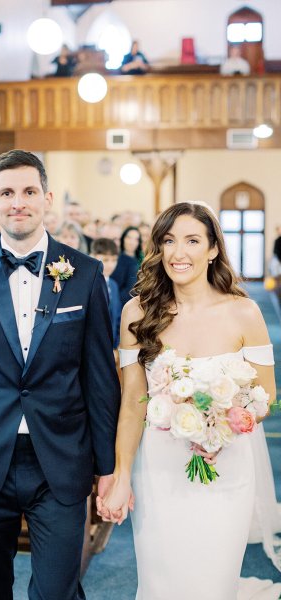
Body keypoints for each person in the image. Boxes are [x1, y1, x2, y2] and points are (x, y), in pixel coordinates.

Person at [0, 149, 121, 600]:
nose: (19, 202)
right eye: (7, 192)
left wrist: (108, 467)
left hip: (62, 458)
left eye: (29, 191)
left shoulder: (85, 272)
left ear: (47, 197)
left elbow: (99, 378)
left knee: (57, 591)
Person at [97, 201, 277, 599]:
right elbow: (131, 403)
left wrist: (223, 427)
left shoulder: (244, 312)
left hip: (227, 466)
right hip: (159, 465)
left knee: (214, 578)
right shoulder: (136, 313)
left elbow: (267, 398)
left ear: (213, 248)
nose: (179, 253)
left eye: (193, 240)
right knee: (161, 577)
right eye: (169, 241)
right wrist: (122, 475)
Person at [91, 238, 121, 349]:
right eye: (106, 259)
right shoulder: (87, 284)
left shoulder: (113, 285)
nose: (110, 265)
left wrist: (117, 346)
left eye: (114, 260)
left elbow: (117, 317)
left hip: (110, 348)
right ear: (93, 256)